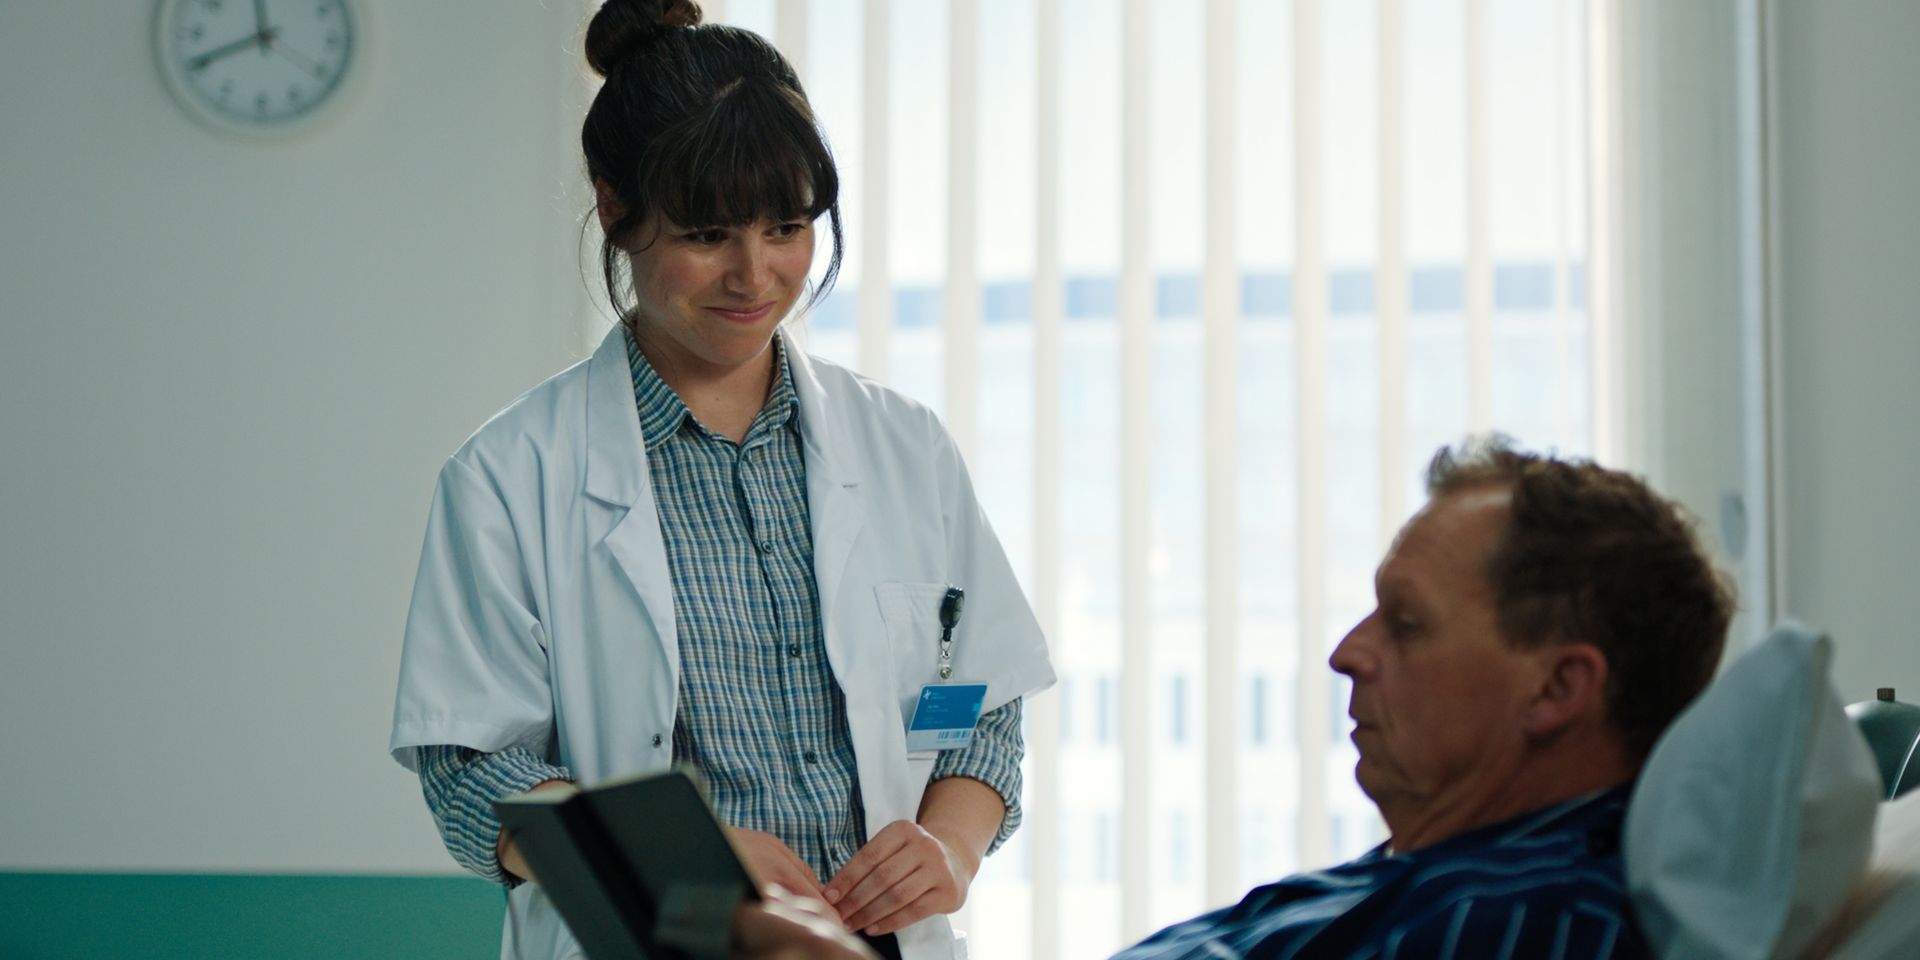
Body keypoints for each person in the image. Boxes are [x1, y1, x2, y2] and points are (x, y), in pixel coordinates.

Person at [386, 3, 1053, 959]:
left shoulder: (905, 447)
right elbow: (471, 777)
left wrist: (948, 846)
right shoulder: (508, 478)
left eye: (787, 227)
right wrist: (671, 859)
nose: (755, 275)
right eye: (707, 234)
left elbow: (983, 701)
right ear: (615, 208)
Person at [729, 438, 1734, 959]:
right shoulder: (1412, 880)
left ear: (1559, 686)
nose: (1346, 653)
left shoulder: (1530, 921)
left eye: (1406, 623)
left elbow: (981, 690)